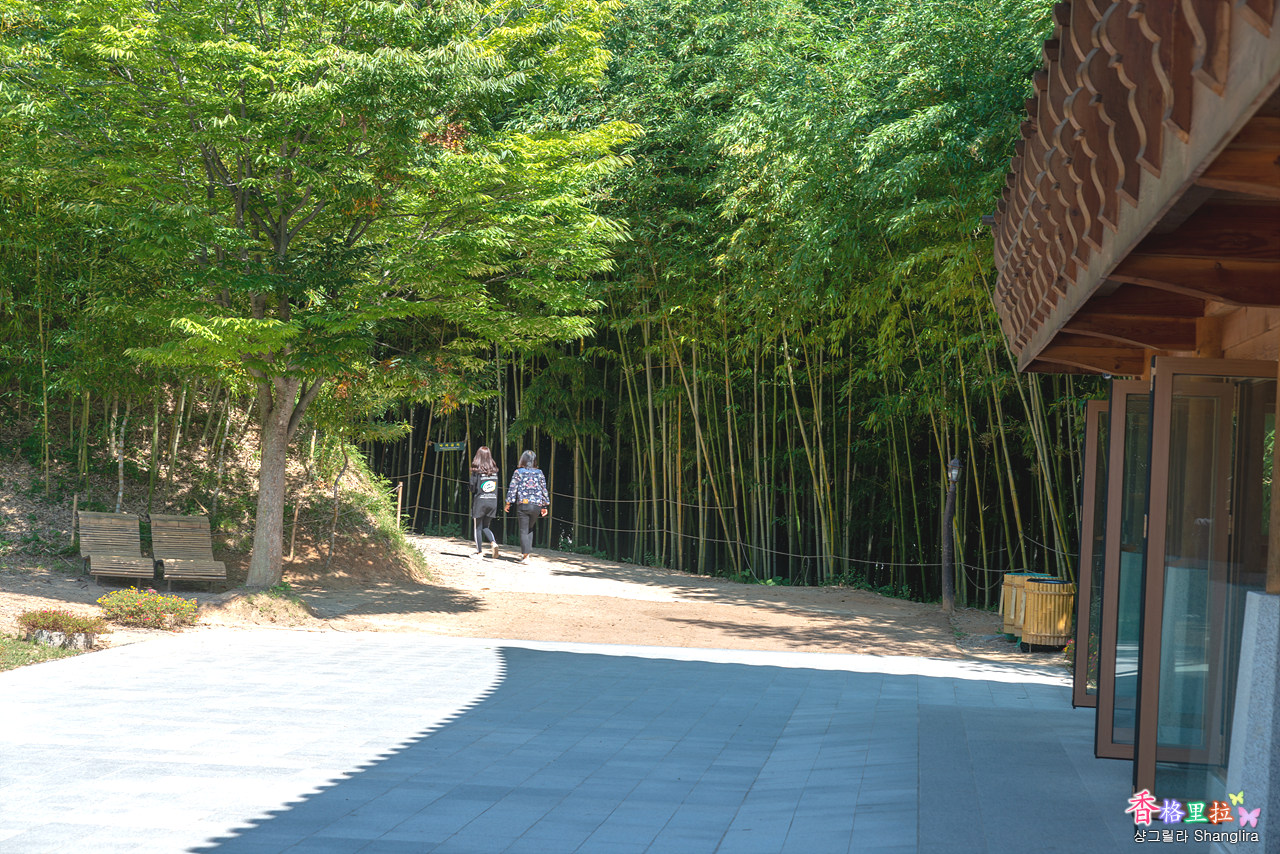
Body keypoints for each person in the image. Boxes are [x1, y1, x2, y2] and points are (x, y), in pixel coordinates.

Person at [505, 449, 549, 563]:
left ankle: (525, 556)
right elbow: (544, 489)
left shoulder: (518, 472)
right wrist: (545, 506)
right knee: (530, 528)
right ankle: (527, 554)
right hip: (537, 505)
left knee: (524, 529)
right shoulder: (539, 472)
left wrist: (508, 503)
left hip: (524, 504)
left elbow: (512, 488)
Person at [469, 446, 500, 559]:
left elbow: (472, 487)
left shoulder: (476, 471)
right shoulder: (495, 472)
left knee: (477, 527)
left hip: (480, 502)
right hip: (492, 501)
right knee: (486, 526)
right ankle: (493, 542)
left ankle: (479, 552)